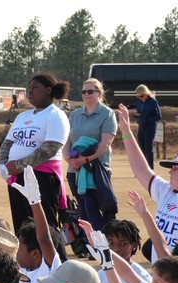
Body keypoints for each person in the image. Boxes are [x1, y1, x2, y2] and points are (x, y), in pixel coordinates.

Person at [0, 73, 70, 235]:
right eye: (29, 88)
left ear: (48, 90)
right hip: (16, 177)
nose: (30, 92)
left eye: (35, 88)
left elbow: (50, 148)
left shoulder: (56, 115)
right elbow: (7, 144)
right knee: (22, 226)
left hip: (42, 177)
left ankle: (53, 260)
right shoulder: (23, 116)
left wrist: (19, 165)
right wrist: (0, 165)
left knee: (45, 227)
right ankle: (26, 260)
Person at [117, 104, 178, 260]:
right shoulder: (167, 191)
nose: (170, 171)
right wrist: (126, 132)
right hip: (162, 275)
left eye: (175, 168)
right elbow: (141, 170)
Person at [63, 78, 118, 229]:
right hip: (75, 170)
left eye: (90, 91)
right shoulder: (74, 115)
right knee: (84, 210)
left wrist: (84, 160)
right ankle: (90, 245)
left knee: (100, 210)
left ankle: (106, 245)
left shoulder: (107, 114)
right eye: (83, 91)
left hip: (97, 170)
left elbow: (105, 143)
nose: (86, 94)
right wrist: (70, 160)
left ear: (100, 94)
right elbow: (67, 141)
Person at [132, 84, 161, 169]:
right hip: (141, 127)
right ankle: (143, 168)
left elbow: (158, 116)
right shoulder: (140, 102)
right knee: (141, 148)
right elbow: (139, 112)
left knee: (148, 148)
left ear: (145, 93)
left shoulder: (153, 102)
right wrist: (136, 114)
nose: (140, 98)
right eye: (138, 97)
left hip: (150, 128)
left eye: (141, 96)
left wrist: (147, 120)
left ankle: (150, 168)